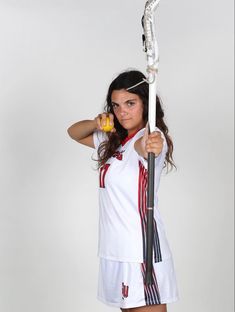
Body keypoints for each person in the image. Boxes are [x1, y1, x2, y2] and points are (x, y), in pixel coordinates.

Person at [67, 70, 179, 311]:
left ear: (145, 103)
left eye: (130, 103)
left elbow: (147, 147)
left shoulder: (150, 136)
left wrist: (152, 144)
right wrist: (97, 123)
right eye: (116, 105)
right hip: (114, 249)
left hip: (140, 251)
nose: (122, 112)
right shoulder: (114, 139)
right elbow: (74, 133)